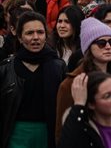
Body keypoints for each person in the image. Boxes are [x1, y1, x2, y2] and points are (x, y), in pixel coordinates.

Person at [55, 17, 111, 143]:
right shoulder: (72, 84)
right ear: (89, 48)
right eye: (101, 43)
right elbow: (62, 133)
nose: (108, 47)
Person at [0, 11, 66, 148]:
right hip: (16, 135)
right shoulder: (6, 68)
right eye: (29, 33)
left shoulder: (58, 67)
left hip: (48, 133)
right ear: (19, 37)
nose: (36, 37)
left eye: (40, 32)